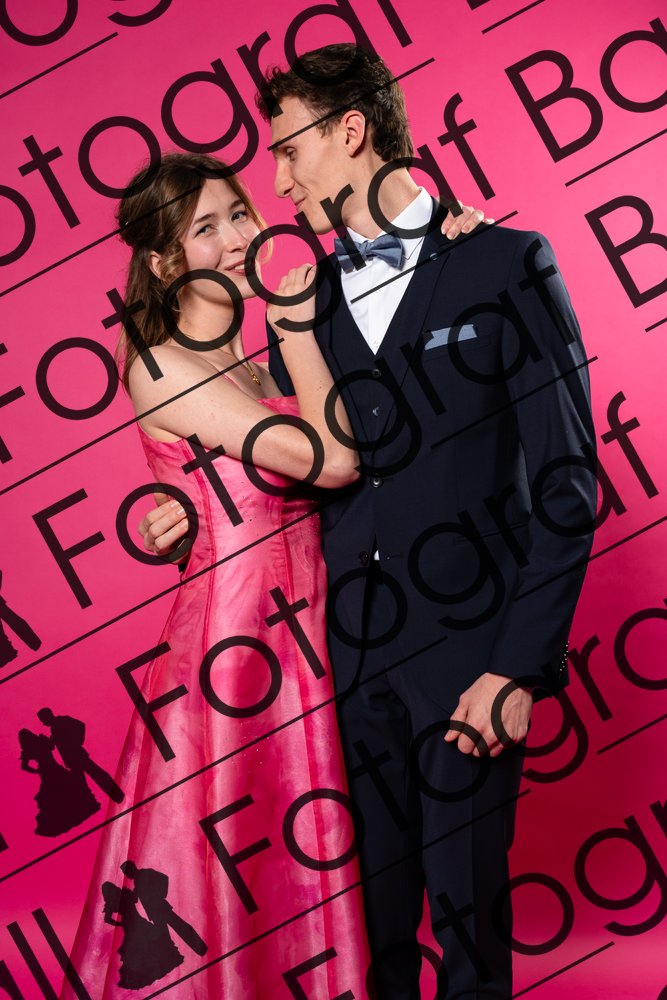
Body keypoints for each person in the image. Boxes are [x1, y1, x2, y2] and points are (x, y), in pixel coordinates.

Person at [145, 44, 597, 998]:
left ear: (350, 131)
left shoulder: (504, 262)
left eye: (288, 151)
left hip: (471, 666)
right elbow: (285, 458)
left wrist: (517, 670)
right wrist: (180, 506)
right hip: (336, 675)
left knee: (469, 937)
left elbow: (568, 488)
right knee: (364, 945)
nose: (277, 183)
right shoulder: (298, 302)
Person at [63, 151, 486, 998]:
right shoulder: (162, 362)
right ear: (163, 263)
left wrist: (450, 244)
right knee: (229, 849)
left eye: (240, 216)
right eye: (205, 229)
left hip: (310, 632)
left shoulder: (259, 368)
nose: (234, 240)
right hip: (234, 646)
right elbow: (332, 462)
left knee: (296, 859)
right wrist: (295, 330)